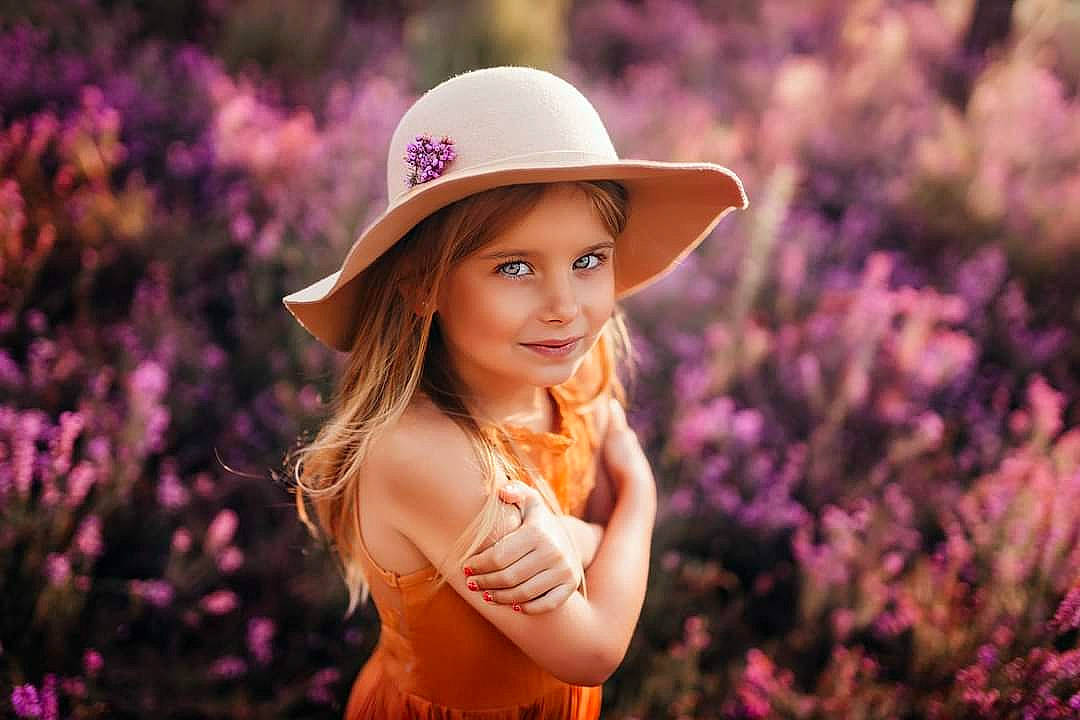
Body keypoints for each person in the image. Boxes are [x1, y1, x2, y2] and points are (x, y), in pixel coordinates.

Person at [281, 66, 747, 719]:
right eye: (515, 267)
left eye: (589, 260)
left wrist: (576, 540)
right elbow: (590, 649)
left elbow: (593, 521)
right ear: (422, 284)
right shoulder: (422, 451)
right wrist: (640, 492)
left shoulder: (574, 369)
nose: (566, 307)